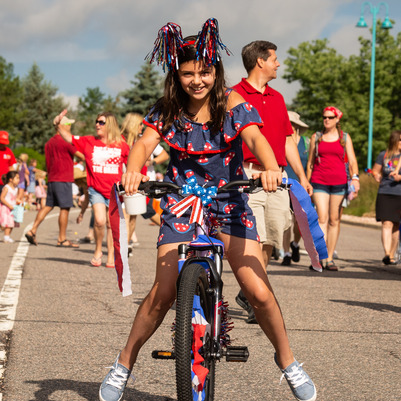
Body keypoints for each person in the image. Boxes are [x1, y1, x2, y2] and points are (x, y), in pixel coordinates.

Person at [99, 19, 316, 401]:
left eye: (205, 71)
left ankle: (288, 361)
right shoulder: (167, 108)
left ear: (215, 71)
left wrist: (270, 169)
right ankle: (123, 364)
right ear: (176, 75)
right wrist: (133, 171)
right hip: (183, 203)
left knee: (259, 292)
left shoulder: (231, 102)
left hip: (230, 201)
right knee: (163, 292)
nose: (197, 80)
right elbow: (144, 143)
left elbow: (256, 138)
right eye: (187, 73)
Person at [233, 40, 313, 323]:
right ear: (260, 62)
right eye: (274, 59)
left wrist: (301, 177)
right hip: (248, 174)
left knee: (271, 238)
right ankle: (258, 296)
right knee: (254, 238)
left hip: (277, 177)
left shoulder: (278, 98)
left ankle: (250, 292)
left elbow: (288, 140)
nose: (278, 64)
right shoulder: (235, 95)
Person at [53, 111, 130, 268]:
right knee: (100, 221)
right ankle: (97, 250)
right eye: (97, 121)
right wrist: (57, 124)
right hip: (96, 189)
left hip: (114, 191)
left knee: (110, 224)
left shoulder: (121, 144)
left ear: (110, 125)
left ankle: (110, 255)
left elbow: (132, 162)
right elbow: (68, 137)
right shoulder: (89, 141)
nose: (97, 125)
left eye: (101, 122)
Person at [306, 106, 360, 271]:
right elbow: (310, 164)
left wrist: (356, 178)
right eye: (324, 117)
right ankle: (320, 257)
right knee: (322, 218)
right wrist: (306, 183)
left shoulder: (344, 138)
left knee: (334, 219)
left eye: (330, 117)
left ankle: (329, 258)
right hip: (319, 181)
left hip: (339, 183)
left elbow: (352, 161)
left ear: (337, 119)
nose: (326, 120)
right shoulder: (317, 137)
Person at [25, 116, 83, 248]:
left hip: (52, 178)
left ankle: (32, 230)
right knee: (65, 208)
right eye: (68, 124)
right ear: (62, 126)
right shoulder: (66, 141)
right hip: (63, 179)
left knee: (48, 206)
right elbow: (81, 155)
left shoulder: (49, 142)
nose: (70, 126)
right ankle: (62, 239)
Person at [121, 113, 169, 255]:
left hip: (143, 183)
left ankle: (126, 245)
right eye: (140, 124)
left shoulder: (144, 141)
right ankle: (125, 245)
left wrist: (152, 161)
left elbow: (165, 155)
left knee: (135, 214)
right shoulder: (122, 141)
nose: (142, 127)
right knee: (133, 214)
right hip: (125, 181)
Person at [281, 111, 310, 266]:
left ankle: (295, 244)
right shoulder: (280, 141)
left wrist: (308, 181)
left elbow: (310, 164)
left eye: (292, 124)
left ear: (297, 126)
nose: (289, 126)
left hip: (300, 185)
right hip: (283, 184)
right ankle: (286, 253)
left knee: (299, 221)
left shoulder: (306, 143)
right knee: (286, 221)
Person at [371, 130, 401, 265]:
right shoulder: (383, 155)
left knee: (396, 225)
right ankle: (387, 254)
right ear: (394, 141)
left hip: (399, 193)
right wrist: (376, 176)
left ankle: (392, 254)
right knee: (386, 223)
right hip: (385, 191)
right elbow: (375, 170)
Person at [0, 171, 20, 243]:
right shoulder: (6, 188)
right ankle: (6, 237)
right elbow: (2, 198)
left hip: (12, 208)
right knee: (8, 223)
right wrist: (9, 205)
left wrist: (18, 201)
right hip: (6, 208)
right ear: (10, 179)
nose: (19, 180)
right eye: (17, 178)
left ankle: (8, 236)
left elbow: (15, 198)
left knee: (12, 223)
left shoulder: (16, 188)